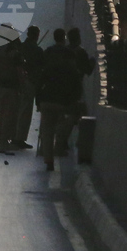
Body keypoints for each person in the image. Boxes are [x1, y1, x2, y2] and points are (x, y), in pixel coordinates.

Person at [36, 29, 80, 171]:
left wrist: (38, 99)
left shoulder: (47, 53)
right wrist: (74, 98)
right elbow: (75, 78)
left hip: (47, 97)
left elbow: (40, 77)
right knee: (63, 124)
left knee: (47, 130)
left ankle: (48, 159)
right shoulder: (70, 55)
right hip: (62, 98)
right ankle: (59, 147)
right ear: (64, 38)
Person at [54, 27, 97, 157]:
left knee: (63, 115)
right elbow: (88, 70)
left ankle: (62, 141)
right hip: (75, 88)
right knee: (76, 115)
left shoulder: (64, 51)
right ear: (78, 38)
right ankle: (64, 143)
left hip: (61, 87)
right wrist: (93, 62)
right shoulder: (80, 52)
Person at [0, 25, 26, 154]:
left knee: (2, 114)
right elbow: (19, 72)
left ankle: (1, 140)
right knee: (10, 115)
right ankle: (4, 142)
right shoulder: (15, 54)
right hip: (12, 87)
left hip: (2, 85)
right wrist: (23, 85)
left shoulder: (2, 52)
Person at [15, 25, 44, 149]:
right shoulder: (37, 50)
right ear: (36, 35)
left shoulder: (21, 47)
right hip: (30, 81)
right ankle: (19, 138)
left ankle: (14, 135)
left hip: (19, 81)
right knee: (26, 112)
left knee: (18, 109)